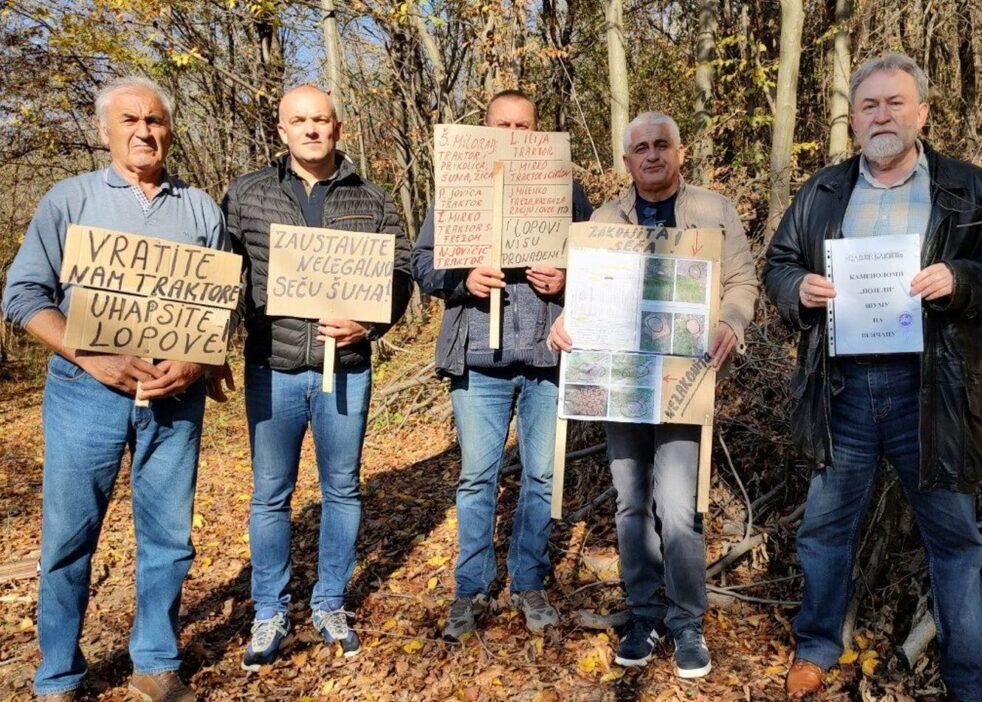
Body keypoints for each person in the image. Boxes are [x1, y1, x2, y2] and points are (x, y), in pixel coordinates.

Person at [762, 53, 982, 701]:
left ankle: (969, 681)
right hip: (844, 395)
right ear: (853, 120)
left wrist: (960, 278)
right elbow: (777, 266)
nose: (882, 116)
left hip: (932, 395)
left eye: (894, 103)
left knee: (955, 541)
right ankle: (818, 646)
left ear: (922, 113)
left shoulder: (968, 188)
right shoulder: (823, 192)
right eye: (869, 106)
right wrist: (802, 288)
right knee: (826, 529)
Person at [2, 76, 228, 702]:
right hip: (85, 392)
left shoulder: (200, 208)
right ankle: (58, 676)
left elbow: (223, 303)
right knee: (70, 536)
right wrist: (92, 357)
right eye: (129, 120)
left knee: (168, 537)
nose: (143, 131)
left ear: (170, 130)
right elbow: (23, 297)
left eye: (154, 120)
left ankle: (156, 663)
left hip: (173, 396)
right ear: (105, 131)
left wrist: (197, 361)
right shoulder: (68, 200)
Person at [548, 111, 759, 678]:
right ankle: (643, 614)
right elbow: (587, 294)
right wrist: (565, 322)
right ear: (626, 162)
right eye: (639, 148)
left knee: (678, 505)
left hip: (683, 381)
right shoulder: (603, 218)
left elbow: (742, 280)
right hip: (620, 385)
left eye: (661, 144)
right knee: (630, 503)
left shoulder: (712, 211)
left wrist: (731, 323)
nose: (651, 155)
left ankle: (686, 620)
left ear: (680, 152)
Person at [219, 85, 412, 670]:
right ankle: (269, 610)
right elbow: (224, 275)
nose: (310, 130)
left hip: (345, 371)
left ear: (337, 128)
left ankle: (330, 601)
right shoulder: (246, 195)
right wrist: (205, 347)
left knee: (343, 489)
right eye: (298, 121)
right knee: (271, 496)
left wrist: (370, 325)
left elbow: (400, 274)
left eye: (320, 120)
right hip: (272, 370)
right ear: (281, 130)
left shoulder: (373, 199)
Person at [411, 89, 593, 642]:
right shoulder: (461, 191)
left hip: (546, 357)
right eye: (502, 126)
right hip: (478, 359)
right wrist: (461, 279)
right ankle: (471, 589)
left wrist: (568, 278)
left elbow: (601, 260)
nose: (513, 135)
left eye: (523, 126)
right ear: (487, 131)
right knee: (476, 478)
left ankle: (529, 579)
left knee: (541, 476)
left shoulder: (567, 191)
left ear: (536, 133)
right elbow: (420, 263)